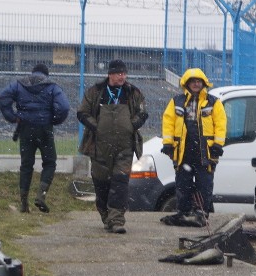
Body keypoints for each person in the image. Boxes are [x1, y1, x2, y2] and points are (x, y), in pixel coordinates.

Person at [77, 59, 148, 234]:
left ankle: (117, 220)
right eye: (118, 73)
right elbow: (82, 113)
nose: (122, 77)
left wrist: (132, 125)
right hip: (100, 146)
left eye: (124, 73)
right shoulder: (96, 92)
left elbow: (143, 113)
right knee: (101, 183)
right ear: (110, 74)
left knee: (120, 182)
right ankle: (106, 214)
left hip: (125, 146)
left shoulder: (133, 92)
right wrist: (97, 127)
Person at [0, 63, 70, 213]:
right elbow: (64, 107)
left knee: (26, 165)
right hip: (44, 129)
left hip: (25, 128)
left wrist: (13, 117)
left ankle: (24, 203)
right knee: (50, 162)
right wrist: (54, 119)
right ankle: (41, 195)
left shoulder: (19, 84)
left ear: (32, 73)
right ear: (46, 74)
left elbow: (3, 97)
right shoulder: (52, 86)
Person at [159, 68, 227, 227]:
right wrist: (168, 144)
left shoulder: (213, 102)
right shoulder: (176, 101)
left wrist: (218, 144)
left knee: (205, 184)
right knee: (183, 183)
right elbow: (168, 122)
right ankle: (184, 213)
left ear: (204, 84)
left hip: (206, 153)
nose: (196, 84)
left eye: (199, 81)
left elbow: (221, 124)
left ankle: (201, 215)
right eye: (193, 81)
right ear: (187, 83)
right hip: (183, 153)